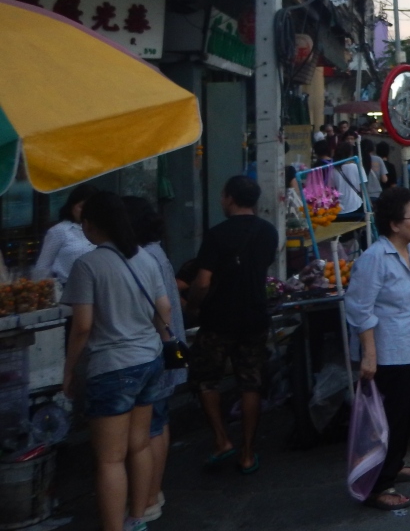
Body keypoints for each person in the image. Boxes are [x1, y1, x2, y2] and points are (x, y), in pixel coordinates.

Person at [62, 192, 173, 531]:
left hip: (112, 366)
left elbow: (82, 326)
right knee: (139, 445)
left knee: (110, 459)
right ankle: (137, 518)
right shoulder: (145, 258)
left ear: (90, 224)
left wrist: (69, 370)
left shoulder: (87, 265)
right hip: (149, 360)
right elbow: (164, 309)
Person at [344, 187, 410, 512]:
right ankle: (378, 485)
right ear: (395, 224)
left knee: (404, 416)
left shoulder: (409, 252)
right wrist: (370, 354)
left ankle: (395, 464)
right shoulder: (375, 259)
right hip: (386, 355)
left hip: (408, 348)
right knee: (385, 421)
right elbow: (360, 309)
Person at [187, 176, 279, 476]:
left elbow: (203, 281)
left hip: (219, 318)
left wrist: (193, 304)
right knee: (250, 382)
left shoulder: (217, 235)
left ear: (229, 198)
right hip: (254, 315)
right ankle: (248, 453)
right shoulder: (268, 231)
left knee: (206, 379)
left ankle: (221, 439)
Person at [123, 197, 186, 524]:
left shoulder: (144, 257)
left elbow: (160, 309)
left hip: (154, 349)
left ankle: (148, 497)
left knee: (150, 428)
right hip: (163, 348)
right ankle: (152, 493)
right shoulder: (156, 253)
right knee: (157, 424)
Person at [33, 182, 99, 286]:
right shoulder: (59, 231)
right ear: (72, 206)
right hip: (67, 287)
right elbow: (42, 267)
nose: (86, 212)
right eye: (82, 207)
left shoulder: (99, 230)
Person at [362, 138, 387, 202]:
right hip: (376, 194)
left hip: (363, 194)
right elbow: (384, 179)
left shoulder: (359, 160)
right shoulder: (378, 159)